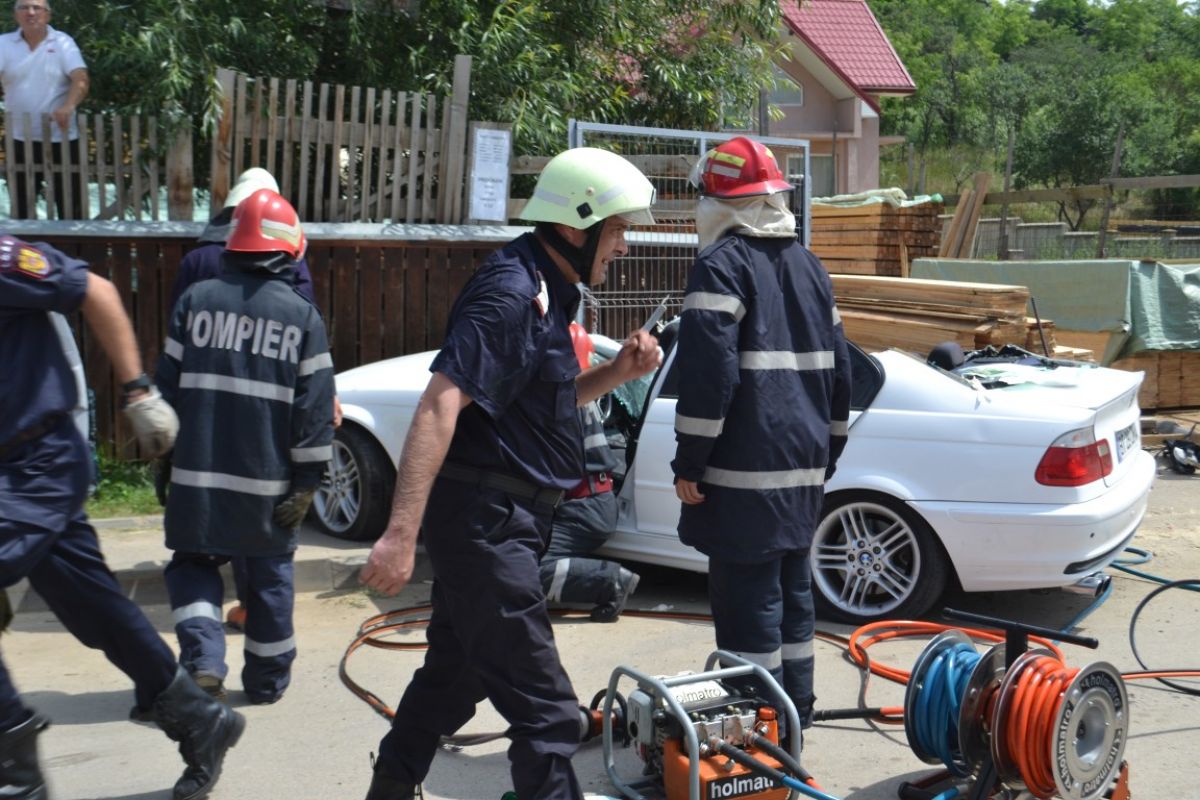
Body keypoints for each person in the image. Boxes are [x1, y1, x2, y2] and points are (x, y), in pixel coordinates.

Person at [358, 147, 661, 800]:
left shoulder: (549, 292)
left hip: (504, 522)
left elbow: (542, 403)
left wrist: (617, 373)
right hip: (487, 525)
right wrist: (399, 534)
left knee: (456, 675)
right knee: (549, 715)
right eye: (616, 229)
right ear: (575, 226)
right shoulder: (510, 295)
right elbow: (439, 404)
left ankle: (390, 787)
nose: (624, 245)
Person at [0, 235, 245, 800]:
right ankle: (201, 719)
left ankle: (13, 768)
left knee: (96, 609)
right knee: (98, 610)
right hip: (18, 474)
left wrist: (139, 392)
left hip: (36, 464)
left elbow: (97, 290)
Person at [670, 136, 852, 738]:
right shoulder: (810, 267)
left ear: (717, 203)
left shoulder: (721, 265)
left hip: (741, 477)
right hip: (803, 471)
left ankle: (757, 736)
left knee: (748, 609)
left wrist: (690, 462)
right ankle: (796, 720)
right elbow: (842, 374)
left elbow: (708, 378)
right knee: (794, 602)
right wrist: (827, 454)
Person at [154, 189, 335, 706]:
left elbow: (167, 391)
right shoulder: (302, 317)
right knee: (270, 576)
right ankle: (266, 682)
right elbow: (314, 412)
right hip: (267, 485)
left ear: (234, 245)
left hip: (197, 477)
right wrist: (307, 484)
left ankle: (203, 663)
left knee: (192, 565)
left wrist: (165, 461)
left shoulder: (195, 301)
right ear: (289, 248)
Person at [538, 323, 640, 623]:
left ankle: (609, 581)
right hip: (591, 501)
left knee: (522, 568)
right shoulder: (578, 392)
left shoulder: (563, 401)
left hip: (583, 507)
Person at [0, 0, 88, 219]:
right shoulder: (3, 43)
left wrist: (68, 106)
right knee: (22, 209)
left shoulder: (63, 42)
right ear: (15, 15)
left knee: (70, 206)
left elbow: (80, 78)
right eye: (24, 7)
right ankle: (25, 242)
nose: (30, 13)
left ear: (48, 14)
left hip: (62, 137)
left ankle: (71, 241)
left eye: (36, 8)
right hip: (19, 138)